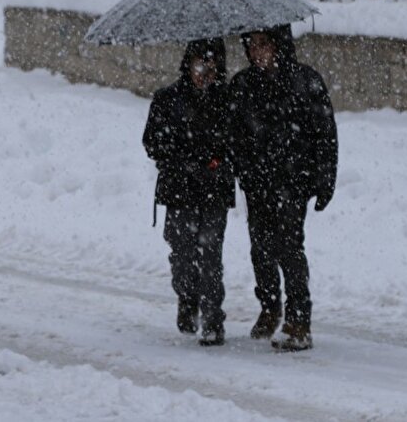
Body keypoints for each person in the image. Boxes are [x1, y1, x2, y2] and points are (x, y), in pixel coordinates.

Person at [229, 25, 338, 352]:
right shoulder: (243, 85)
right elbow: (234, 135)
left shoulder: (305, 81)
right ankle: (269, 306)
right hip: (258, 183)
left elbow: (325, 133)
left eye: (264, 44)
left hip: (293, 181)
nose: (257, 52)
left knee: (289, 248)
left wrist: (324, 179)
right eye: (252, 46)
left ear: (279, 45)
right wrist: (244, 168)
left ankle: (299, 319)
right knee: (260, 249)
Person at [143, 38, 235, 347]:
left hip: (213, 190)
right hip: (179, 190)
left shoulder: (226, 100)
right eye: (199, 65)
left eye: (211, 67)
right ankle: (187, 297)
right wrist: (180, 157)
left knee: (210, 256)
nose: (204, 73)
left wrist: (216, 159)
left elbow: (234, 143)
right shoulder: (167, 99)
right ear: (188, 64)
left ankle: (212, 318)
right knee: (182, 254)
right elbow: (152, 142)